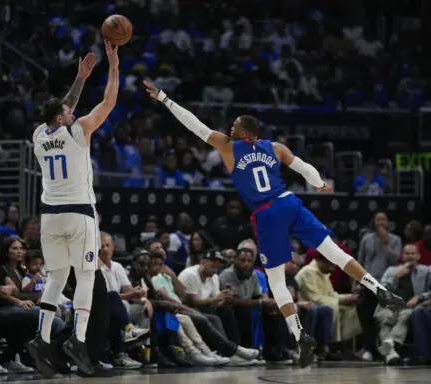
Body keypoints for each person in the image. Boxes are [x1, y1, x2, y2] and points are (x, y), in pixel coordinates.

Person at [143, 80, 406, 368]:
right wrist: (318, 184)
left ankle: (299, 335)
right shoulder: (276, 147)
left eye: (235, 125)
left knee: (277, 281)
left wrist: (165, 99)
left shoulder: (228, 147)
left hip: (266, 213)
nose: (230, 128)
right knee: (334, 252)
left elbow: (195, 125)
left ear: (246, 132)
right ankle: (378, 289)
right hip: (289, 201)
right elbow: (305, 168)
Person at [27, 42, 120, 378]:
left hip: (49, 215)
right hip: (79, 213)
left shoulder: (39, 135)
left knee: (56, 277)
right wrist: (114, 66)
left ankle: (42, 336)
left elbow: (61, 106)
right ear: (62, 117)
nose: (72, 110)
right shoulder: (78, 131)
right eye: (67, 111)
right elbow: (109, 101)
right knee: (85, 276)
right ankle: (78, 340)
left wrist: (80, 78)